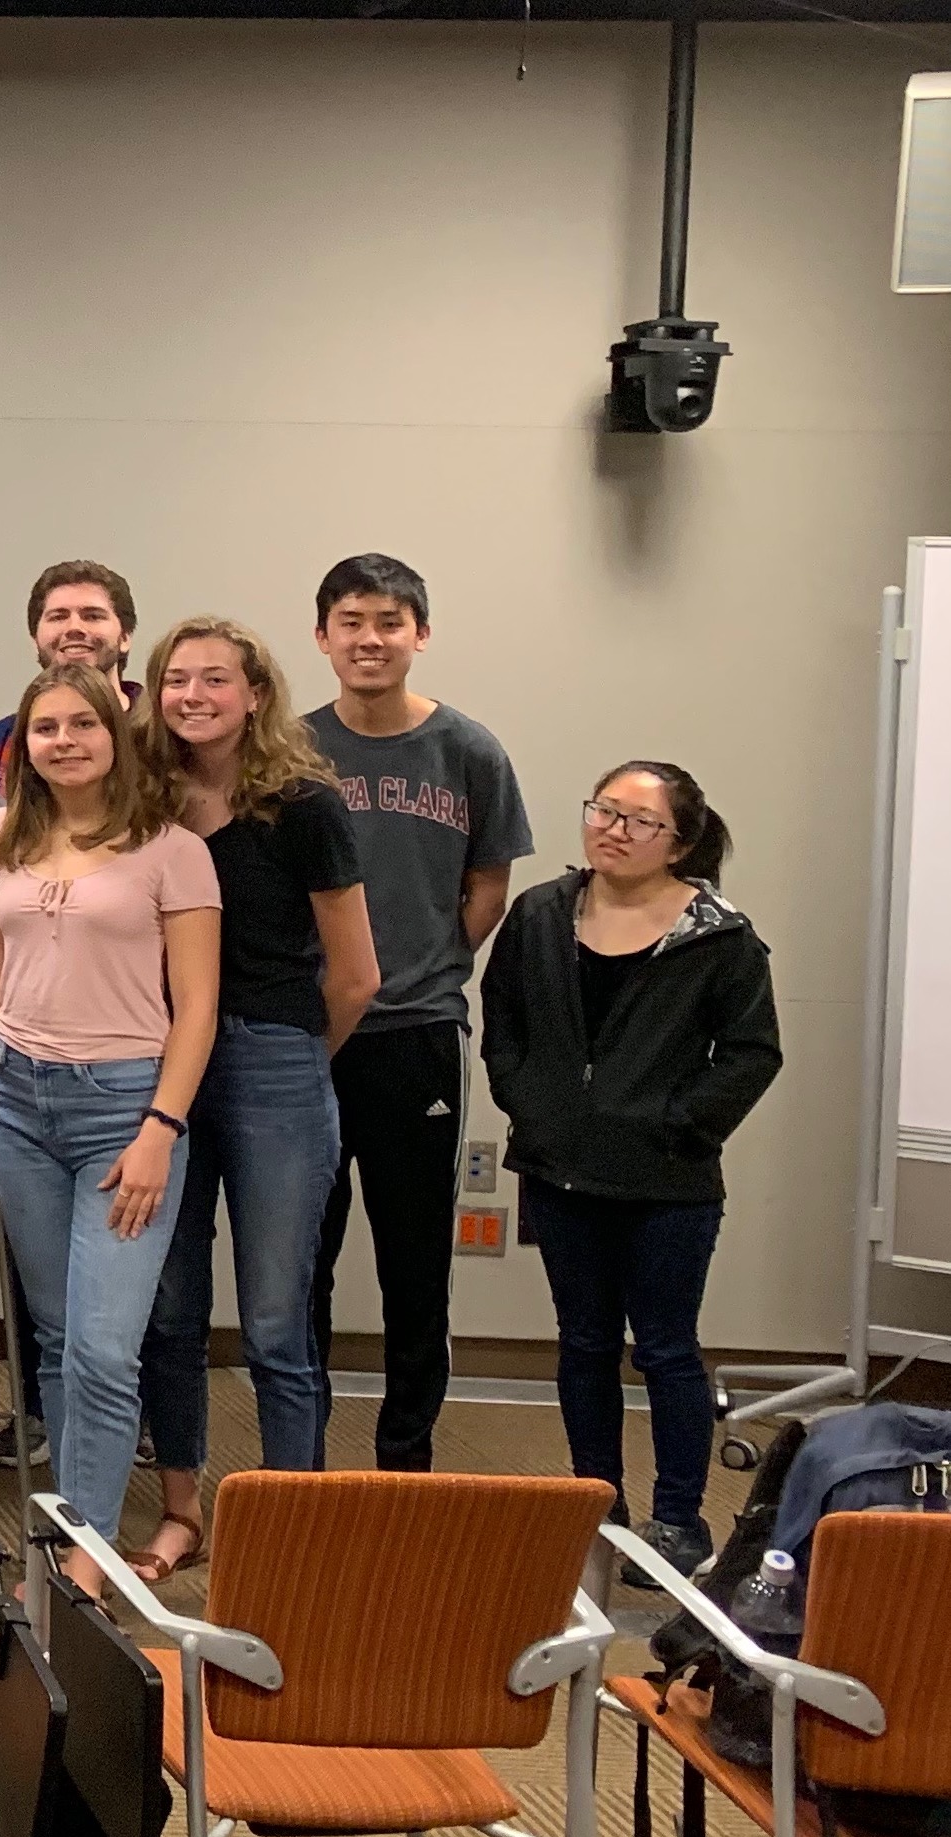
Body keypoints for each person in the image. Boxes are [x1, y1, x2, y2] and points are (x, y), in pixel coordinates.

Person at [0, 665, 221, 1553]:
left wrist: (163, 1128)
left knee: (106, 1348)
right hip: (19, 1100)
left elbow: (196, 1006)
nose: (66, 740)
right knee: (53, 1337)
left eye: (84, 723)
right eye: (47, 727)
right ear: (25, 744)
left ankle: (90, 1552)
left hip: (125, 1108)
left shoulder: (171, 846)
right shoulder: (2, 835)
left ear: (117, 736)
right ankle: (65, 1533)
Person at [485, 762, 777, 1582]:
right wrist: (531, 1106)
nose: (612, 828)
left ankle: (679, 1518)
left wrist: (677, 1125)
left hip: (668, 1184)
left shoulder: (718, 933)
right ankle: (597, 1502)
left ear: (679, 841)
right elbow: (502, 1020)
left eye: (637, 820)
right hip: (561, 1169)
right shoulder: (542, 913)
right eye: (604, 810)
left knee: (666, 1349)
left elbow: (753, 1053)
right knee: (582, 1343)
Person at [128, 619, 377, 1575]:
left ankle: (293, 1529)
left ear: (256, 693)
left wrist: (296, 1060)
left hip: (275, 1062)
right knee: (173, 1310)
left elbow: (355, 976)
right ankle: (183, 1510)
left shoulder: (304, 805)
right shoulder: (140, 802)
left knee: (277, 1320)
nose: (193, 695)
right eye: (176, 679)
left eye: (215, 679)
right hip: (156, 1066)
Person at [306, 552, 530, 1472]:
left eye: (390, 621)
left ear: (420, 635)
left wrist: (429, 966)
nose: (370, 638)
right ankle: (295, 1457)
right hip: (308, 1041)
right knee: (299, 1264)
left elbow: (489, 887)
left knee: (414, 1265)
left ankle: (406, 1459)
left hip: (417, 1038)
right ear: (322, 637)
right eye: (351, 620)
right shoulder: (289, 749)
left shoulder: (468, 751)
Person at [0, 560, 138, 793]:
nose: (74, 628)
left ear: (125, 637)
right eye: (58, 617)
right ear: (35, 639)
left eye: (92, 616)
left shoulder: (163, 736)